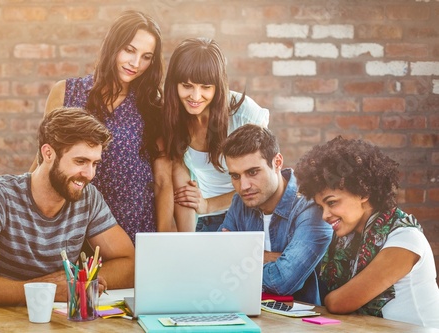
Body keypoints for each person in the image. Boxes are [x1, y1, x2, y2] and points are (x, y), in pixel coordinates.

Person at [0, 107, 135, 305]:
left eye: (94, 163)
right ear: (48, 153)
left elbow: (130, 264)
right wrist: (44, 290)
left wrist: (80, 281)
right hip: (0, 321)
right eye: (80, 161)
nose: (89, 174)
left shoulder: (88, 198)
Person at [30, 10, 173, 241]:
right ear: (113, 46)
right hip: (73, 223)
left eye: (147, 56)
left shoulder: (154, 107)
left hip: (134, 225)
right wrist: (24, 209)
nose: (136, 63)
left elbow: (163, 180)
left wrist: (164, 241)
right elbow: (43, 159)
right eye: (129, 50)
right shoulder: (66, 92)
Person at [294, 136, 439, 327]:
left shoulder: (405, 239)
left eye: (331, 203)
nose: (325, 215)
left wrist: (329, 298)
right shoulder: (349, 241)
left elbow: (339, 302)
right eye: (321, 207)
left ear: (363, 193)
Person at [162, 37, 269, 232]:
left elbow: (263, 181)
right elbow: (185, 190)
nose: (195, 97)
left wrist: (209, 204)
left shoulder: (244, 115)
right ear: (174, 84)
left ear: (218, 86)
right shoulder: (172, 120)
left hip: (252, 213)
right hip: (207, 219)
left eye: (205, 87)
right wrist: (187, 242)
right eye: (187, 86)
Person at [218, 124, 332, 305]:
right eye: (235, 176)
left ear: (277, 162)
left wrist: (243, 259)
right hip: (243, 311)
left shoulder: (311, 206)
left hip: (299, 322)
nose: (244, 186)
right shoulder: (240, 202)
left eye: (252, 172)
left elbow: (282, 282)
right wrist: (271, 257)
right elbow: (215, 264)